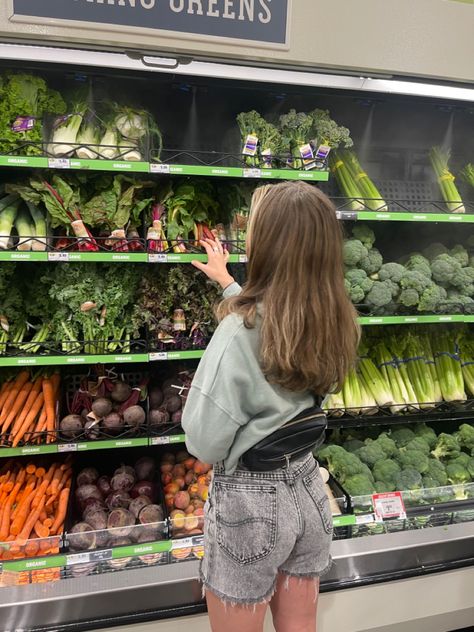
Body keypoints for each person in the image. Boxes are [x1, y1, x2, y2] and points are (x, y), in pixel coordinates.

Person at [182, 181, 360, 632]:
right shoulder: (337, 317)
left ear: (264, 246)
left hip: (251, 504)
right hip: (308, 487)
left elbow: (204, 443)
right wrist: (228, 284)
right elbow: (280, 324)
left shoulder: (235, 337)